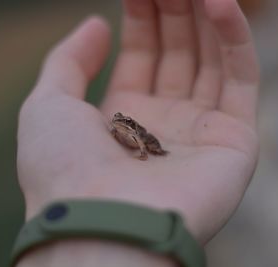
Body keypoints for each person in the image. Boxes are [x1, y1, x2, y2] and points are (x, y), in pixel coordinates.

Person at [15, 0, 260, 266]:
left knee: (153, 143)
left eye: (122, 121)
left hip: (147, 138)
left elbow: (139, 143)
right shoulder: (119, 129)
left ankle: (161, 151)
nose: (118, 123)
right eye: (118, 121)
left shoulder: (135, 134)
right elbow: (116, 131)